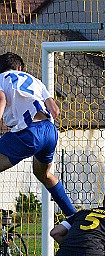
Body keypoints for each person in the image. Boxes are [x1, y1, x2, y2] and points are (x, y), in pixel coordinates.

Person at [0, 52, 75, 216]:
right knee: (44, 174)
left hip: (28, 134)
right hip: (49, 131)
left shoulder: (1, 79)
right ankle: (73, 216)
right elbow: (55, 111)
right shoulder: (36, 81)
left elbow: (1, 99)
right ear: (20, 68)